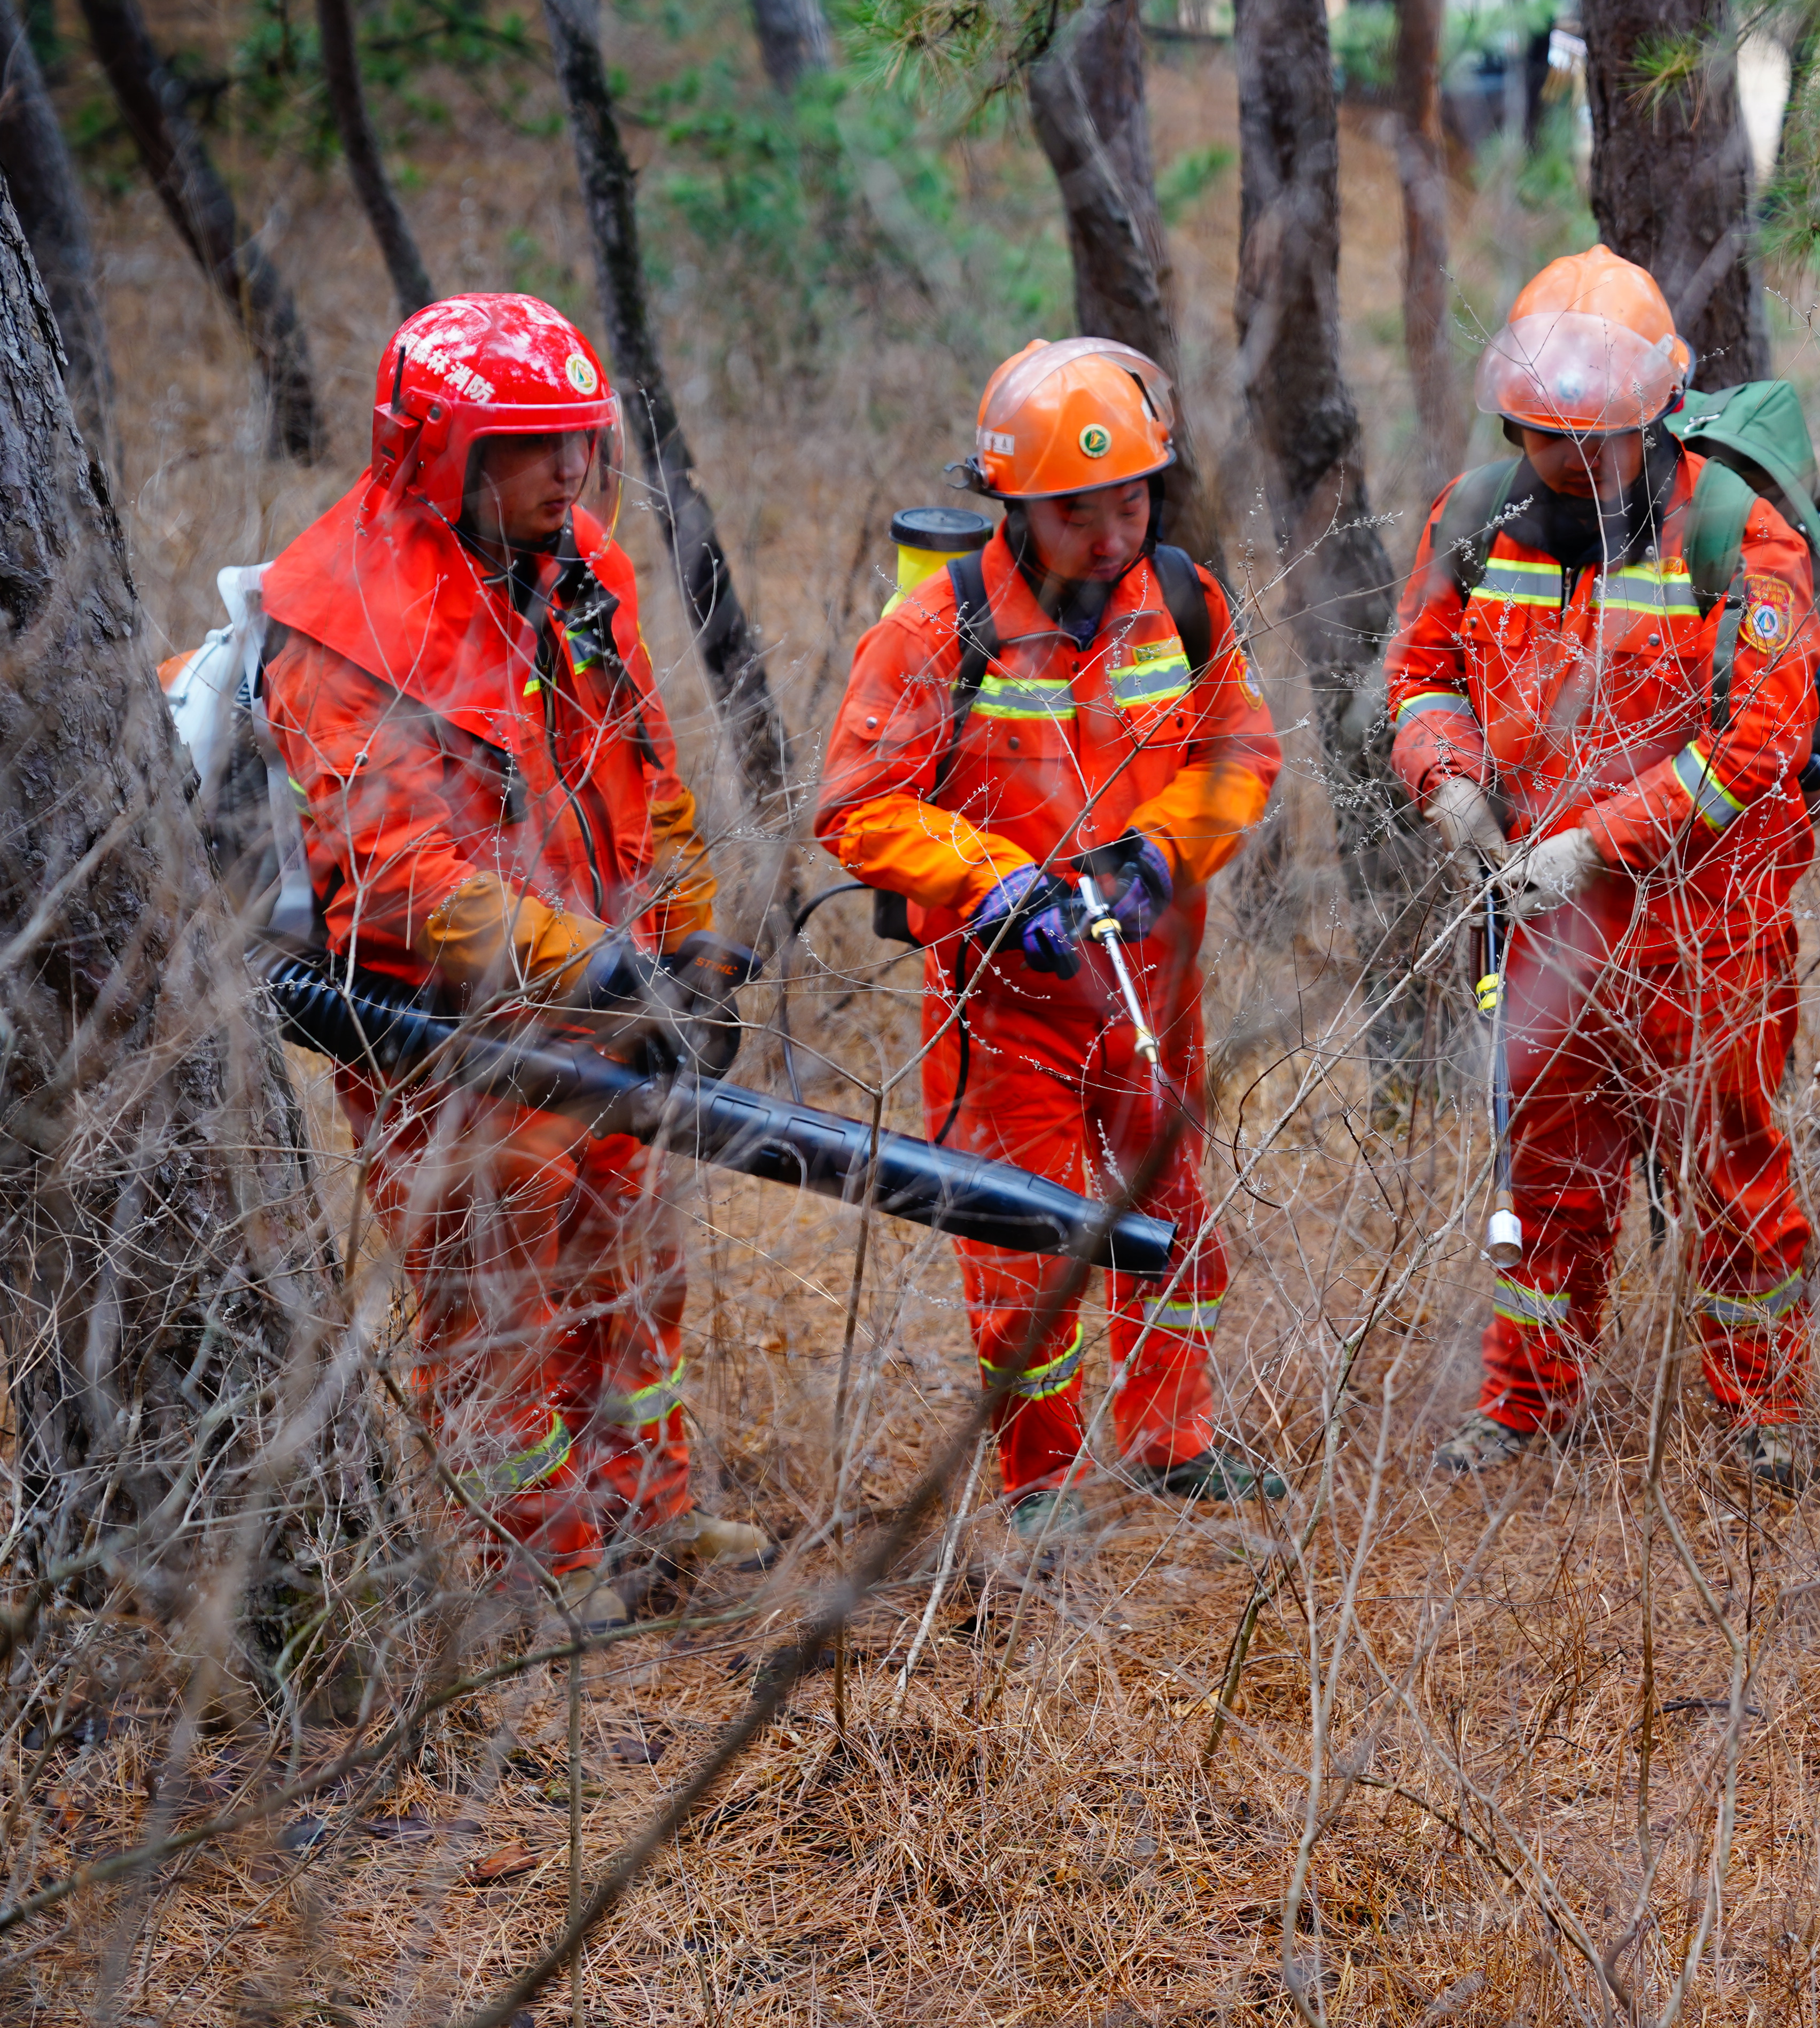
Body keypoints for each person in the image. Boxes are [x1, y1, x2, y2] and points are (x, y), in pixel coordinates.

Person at [258, 293, 768, 1625]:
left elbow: (642, 767)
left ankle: (649, 1513)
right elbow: (398, 879)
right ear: (436, 448)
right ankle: (530, 1568)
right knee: (495, 1293)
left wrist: (690, 937)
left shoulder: (578, 562)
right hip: (442, 1031)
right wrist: (596, 965)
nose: (566, 470)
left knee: (635, 1255)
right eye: (526, 445)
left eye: (577, 440)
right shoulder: (345, 618)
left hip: (598, 1002)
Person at [814, 339, 1284, 1536]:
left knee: (1174, 1222)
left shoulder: (1182, 601)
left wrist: (1161, 852)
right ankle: (1046, 1486)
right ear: (1018, 506)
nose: (1112, 532)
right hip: (1003, 1007)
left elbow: (1243, 751)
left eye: (1130, 499)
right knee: (1024, 1253)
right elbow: (855, 804)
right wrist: (991, 883)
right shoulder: (937, 626)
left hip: (1153, 990)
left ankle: (1175, 1441)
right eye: (1080, 509)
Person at [1386, 246, 1820, 1490]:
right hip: (1541, 923)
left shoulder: (1736, 536)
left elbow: (1758, 744)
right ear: (1514, 422)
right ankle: (1524, 1410)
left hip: (1708, 919)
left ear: (1657, 418)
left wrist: (1599, 841)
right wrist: (1451, 778)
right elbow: (1420, 679)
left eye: (1604, 445)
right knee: (1548, 1171)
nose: (1576, 468)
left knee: (1729, 1167)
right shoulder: (1476, 520)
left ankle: (1761, 1425)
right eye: (1547, 443)